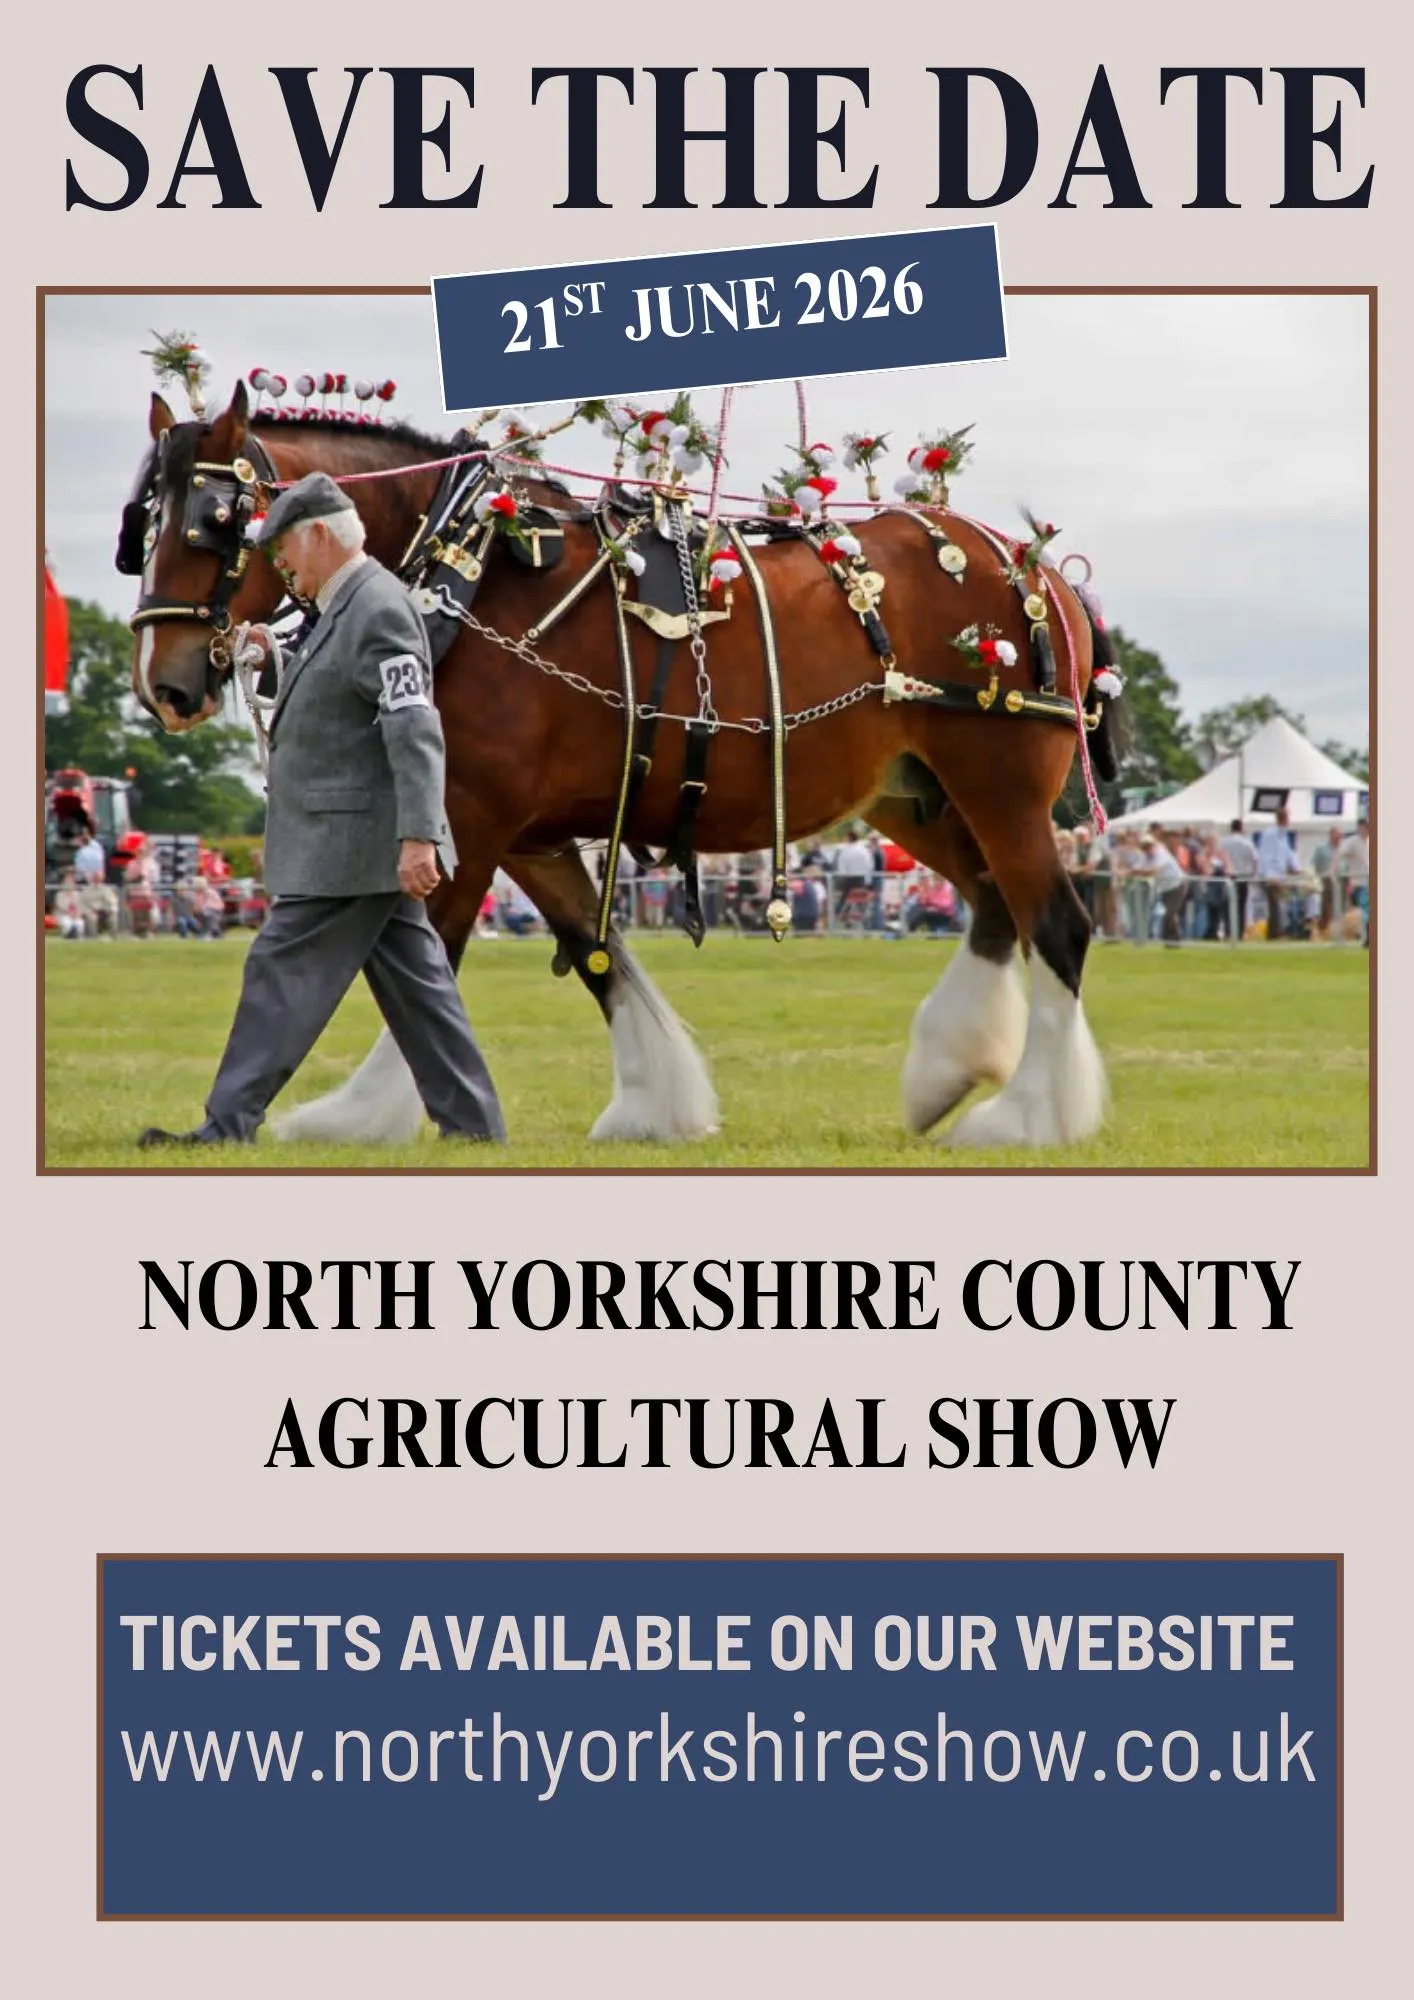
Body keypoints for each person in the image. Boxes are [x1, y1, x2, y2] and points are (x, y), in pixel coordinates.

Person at [137, 472, 504, 1148]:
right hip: (363, 841)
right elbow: (341, 696)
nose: (280, 564)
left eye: (283, 549)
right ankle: (477, 1131)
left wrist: (419, 835)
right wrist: (273, 659)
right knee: (422, 998)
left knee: (279, 971)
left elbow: (413, 726)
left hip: (353, 844)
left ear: (317, 536)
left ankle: (228, 1124)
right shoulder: (349, 604)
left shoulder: (377, 607)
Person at [1254, 807, 1302, 940]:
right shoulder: (1270, 835)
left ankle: (1275, 932)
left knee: (1278, 904)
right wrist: (1269, 876)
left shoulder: (1283, 836)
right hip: (1272, 876)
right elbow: (1265, 856)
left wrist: (1296, 867)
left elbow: (1287, 853)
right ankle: (1275, 933)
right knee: (1275, 905)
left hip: (1280, 875)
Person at [1220, 818, 1258, 938]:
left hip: (1228, 876)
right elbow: (1255, 859)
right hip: (1243, 876)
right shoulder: (1247, 842)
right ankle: (1240, 932)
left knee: (1228, 905)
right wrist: (1253, 873)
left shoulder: (1224, 842)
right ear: (1241, 828)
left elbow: (1219, 857)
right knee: (1241, 906)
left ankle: (1228, 931)